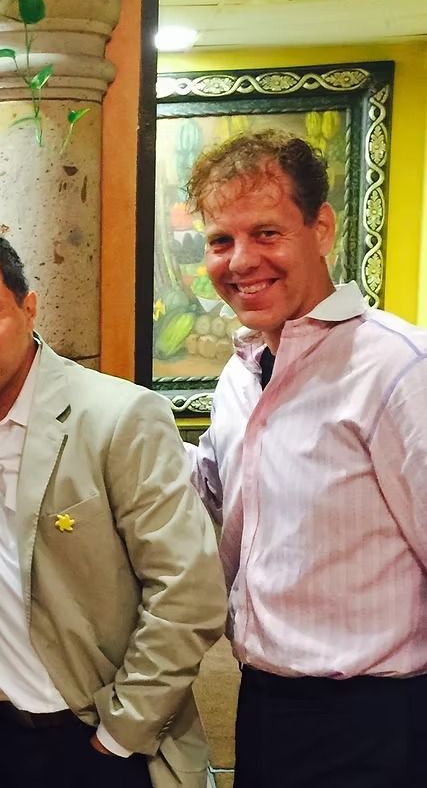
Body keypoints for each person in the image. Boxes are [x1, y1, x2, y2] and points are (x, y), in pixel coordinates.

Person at [0, 229, 226, 788]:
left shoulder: (118, 418)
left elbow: (188, 592)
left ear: (28, 308)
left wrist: (120, 732)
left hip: (94, 740)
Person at [183, 129, 427, 787]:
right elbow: (216, 488)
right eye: (220, 240)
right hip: (264, 702)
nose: (241, 261)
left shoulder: (398, 369)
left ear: (320, 228)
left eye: (266, 233)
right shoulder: (241, 372)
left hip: (375, 722)